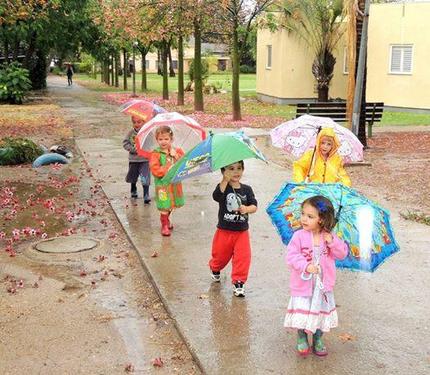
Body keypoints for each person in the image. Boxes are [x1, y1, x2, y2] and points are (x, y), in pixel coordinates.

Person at [284, 195, 348, 357]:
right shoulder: (298, 236)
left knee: (319, 311)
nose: (304, 219)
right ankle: (302, 336)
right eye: (303, 214)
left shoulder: (329, 237)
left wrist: (332, 241)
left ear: (322, 219)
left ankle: (318, 338)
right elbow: (291, 256)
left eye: (310, 216)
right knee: (303, 311)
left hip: (322, 285)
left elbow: (342, 254)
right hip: (303, 283)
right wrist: (306, 266)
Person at [209, 161, 257, 297]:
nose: (236, 172)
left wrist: (247, 209)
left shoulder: (247, 189)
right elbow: (216, 196)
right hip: (224, 230)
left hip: (241, 232)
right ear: (224, 171)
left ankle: (239, 282)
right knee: (220, 256)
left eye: (239, 168)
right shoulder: (223, 188)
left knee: (243, 257)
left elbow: (254, 205)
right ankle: (215, 267)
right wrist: (224, 180)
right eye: (231, 169)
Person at [149, 126, 184, 236]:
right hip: (163, 185)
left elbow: (184, 163)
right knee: (164, 205)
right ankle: (164, 225)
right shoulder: (156, 154)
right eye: (160, 139)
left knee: (171, 204)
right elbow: (155, 170)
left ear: (171, 139)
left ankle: (167, 220)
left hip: (174, 184)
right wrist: (166, 169)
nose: (163, 142)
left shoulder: (176, 151)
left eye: (166, 139)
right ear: (157, 140)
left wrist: (176, 156)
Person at [123, 116, 151, 203]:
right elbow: (125, 143)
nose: (136, 124)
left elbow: (152, 143)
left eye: (139, 122)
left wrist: (146, 148)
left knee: (145, 177)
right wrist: (133, 149)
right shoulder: (130, 133)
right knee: (133, 176)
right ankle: (133, 188)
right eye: (134, 122)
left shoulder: (147, 133)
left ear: (144, 122)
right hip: (134, 160)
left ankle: (146, 194)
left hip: (145, 160)